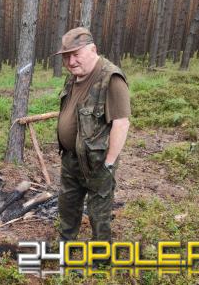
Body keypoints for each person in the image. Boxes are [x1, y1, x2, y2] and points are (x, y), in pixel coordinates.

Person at [53, 27, 130, 242]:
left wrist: (109, 163)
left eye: (75, 55)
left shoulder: (110, 77)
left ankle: (100, 260)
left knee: (99, 213)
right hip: (71, 159)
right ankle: (65, 247)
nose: (70, 62)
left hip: (98, 162)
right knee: (67, 205)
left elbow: (121, 123)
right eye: (66, 57)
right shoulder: (72, 77)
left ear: (93, 49)